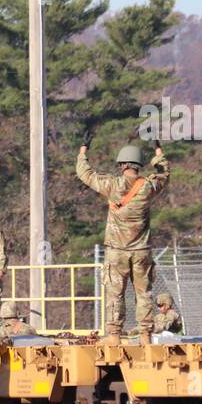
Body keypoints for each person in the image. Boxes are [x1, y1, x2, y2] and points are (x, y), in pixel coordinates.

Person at [76, 142, 169, 344]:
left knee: (115, 294)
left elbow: (86, 174)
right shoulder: (147, 187)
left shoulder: (113, 185)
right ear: (138, 165)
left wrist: (83, 151)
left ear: (123, 165)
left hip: (117, 251)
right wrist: (158, 153)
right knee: (143, 293)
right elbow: (164, 175)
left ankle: (115, 335)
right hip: (142, 252)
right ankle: (145, 335)